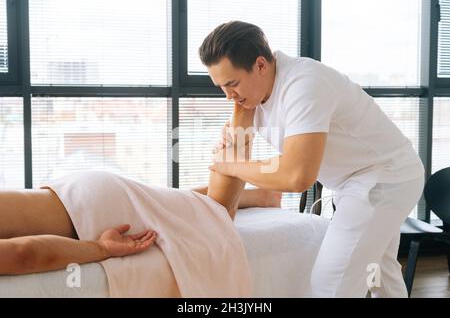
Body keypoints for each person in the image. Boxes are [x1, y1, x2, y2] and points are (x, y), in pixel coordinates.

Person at [199, 20, 425, 297]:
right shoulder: (250, 98)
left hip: (384, 178)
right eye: (221, 87)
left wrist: (231, 164)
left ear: (260, 65)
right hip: (354, 182)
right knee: (378, 273)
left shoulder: (304, 84)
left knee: (331, 283)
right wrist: (239, 122)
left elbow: (297, 176)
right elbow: (226, 185)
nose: (228, 96)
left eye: (232, 84)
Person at [0, 170, 280, 275]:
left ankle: (243, 123)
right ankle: (260, 195)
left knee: (212, 216)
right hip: (73, 194)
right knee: (170, 205)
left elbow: (24, 254)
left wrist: (101, 248)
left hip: (87, 211)